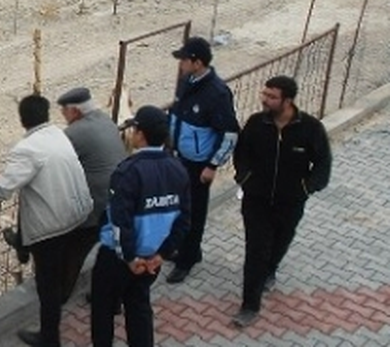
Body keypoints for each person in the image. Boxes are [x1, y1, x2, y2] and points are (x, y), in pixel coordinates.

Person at [0, 94, 92, 347]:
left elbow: (2, 190)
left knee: (48, 286)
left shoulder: (27, 148)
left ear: (22, 120)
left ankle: (49, 338)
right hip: (76, 216)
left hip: (51, 227)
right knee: (58, 278)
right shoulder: (58, 134)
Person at [230, 76, 332, 328]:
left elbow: (323, 163)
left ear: (287, 100)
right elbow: (241, 153)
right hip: (256, 201)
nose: (265, 99)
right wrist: (245, 177)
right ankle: (249, 305)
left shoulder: (310, 128)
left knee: (280, 241)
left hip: (291, 202)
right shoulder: (256, 123)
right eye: (264, 94)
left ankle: (271, 268)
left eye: (272, 96)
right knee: (256, 250)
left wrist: (306, 187)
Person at [90, 106, 191, 347]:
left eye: (134, 129)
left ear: (141, 134)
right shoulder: (178, 169)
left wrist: (129, 258)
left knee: (102, 310)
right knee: (139, 308)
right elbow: (184, 220)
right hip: (151, 258)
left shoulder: (127, 172)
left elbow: (119, 221)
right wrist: (161, 255)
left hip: (119, 258)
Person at [166, 36, 239, 284]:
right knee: (179, 209)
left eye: (184, 60)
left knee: (193, 214)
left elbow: (229, 133)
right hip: (180, 158)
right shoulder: (186, 82)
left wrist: (212, 165)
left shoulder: (217, 94)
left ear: (197, 63)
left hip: (199, 166)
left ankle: (187, 260)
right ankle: (186, 250)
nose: (181, 65)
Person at [56, 87, 127, 305]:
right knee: (110, 253)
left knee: (70, 254)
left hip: (95, 208)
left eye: (64, 112)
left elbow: (50, 161)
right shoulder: (106, 121)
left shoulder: (75, 133)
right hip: (118, 201)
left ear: (75, 112)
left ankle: (59, 298)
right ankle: (112, 299)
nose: (62, 116)